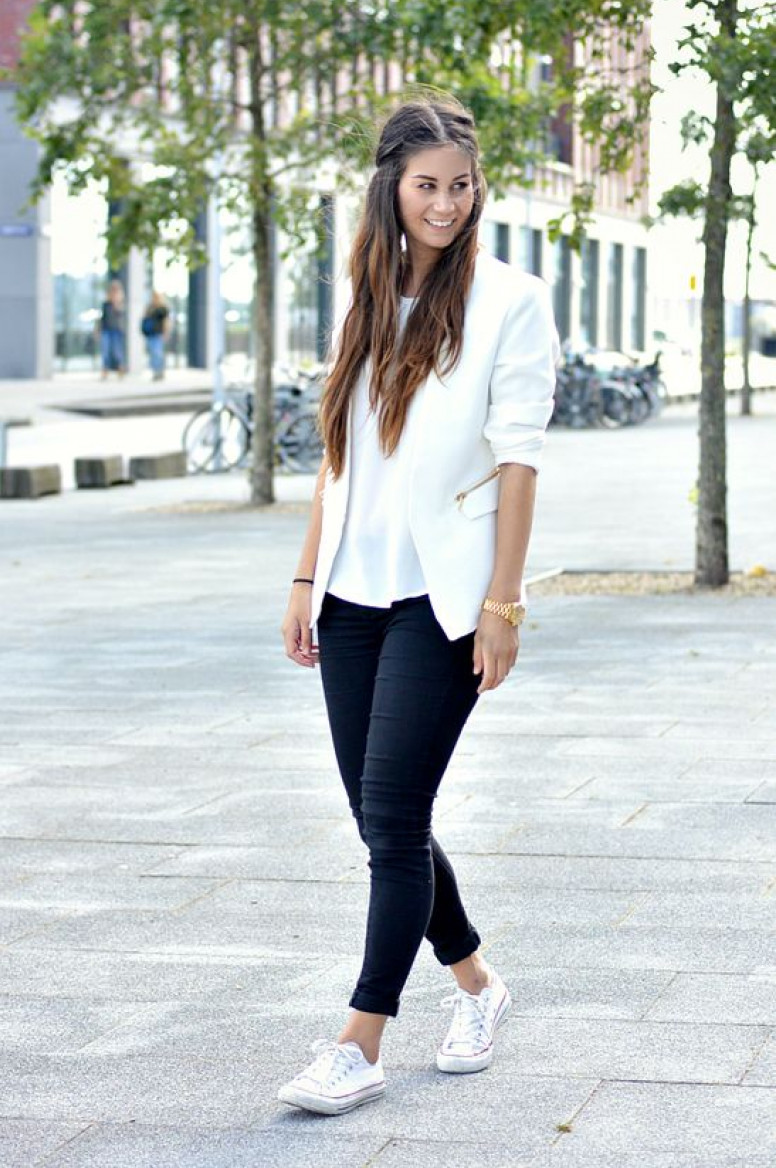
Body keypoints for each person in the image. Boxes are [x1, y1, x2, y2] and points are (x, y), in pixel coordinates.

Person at [279, 97, 559, 1117]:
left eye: (458, 185)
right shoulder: (363, 292)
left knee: (392, 818)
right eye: (425, 185)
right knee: (378, 816)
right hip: (352, 591)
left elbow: (519, 463)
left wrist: (504, 605)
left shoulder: (510, 300)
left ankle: (357, 1043)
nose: (445, 203)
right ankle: (479, 986)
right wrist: (305, 579)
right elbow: (337, 456)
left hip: (443, 600)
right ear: (390, 188)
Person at [98, 280, 126, 379]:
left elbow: (120, 315)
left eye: (115, 290)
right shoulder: (106, 304)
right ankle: (105, 371)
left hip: (116, 331)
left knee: (117, 351)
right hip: (106, 330)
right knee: (105, 351)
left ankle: (120, 370)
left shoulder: (120, 304)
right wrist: (98, 330)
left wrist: (116, 302)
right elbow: (102, 318)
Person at [141, 291, 170, 381]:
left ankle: (159, 371)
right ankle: (155, 371)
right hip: (150, 334)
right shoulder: (149, 307)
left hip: (158, 334)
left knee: (157, 353)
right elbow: (144, 319)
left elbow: (166, 321)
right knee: (152, 353)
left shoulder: (162, 309)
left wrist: (166, 333)